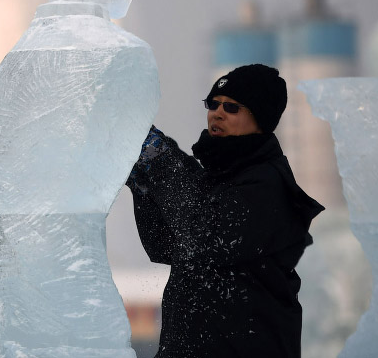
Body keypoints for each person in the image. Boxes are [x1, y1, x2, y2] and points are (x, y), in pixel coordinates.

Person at [126, 64, 325, 357]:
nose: (217, 113)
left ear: (260, 118)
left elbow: (207, 239)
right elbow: (165, 246)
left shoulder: (267, 185)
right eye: (213, 103)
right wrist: (144, 188)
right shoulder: (215, 180)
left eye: (232, 107)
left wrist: (161, 163)